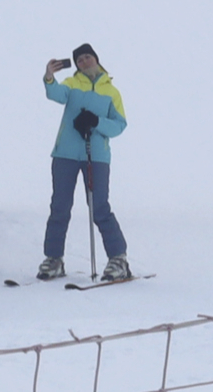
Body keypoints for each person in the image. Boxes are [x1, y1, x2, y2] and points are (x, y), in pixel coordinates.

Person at [38, 43, 131, 283]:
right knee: (59, 206)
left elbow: (119, 125)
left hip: (96, 156)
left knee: (99, 206)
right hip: (65, 154)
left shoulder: (112, 92)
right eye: (79, 60)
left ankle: (118, 259)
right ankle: (53, 258)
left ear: (97, 59)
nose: (84, 62)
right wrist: (49, 77)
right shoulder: (71, 84)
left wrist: (96, 122)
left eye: (87, 58)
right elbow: (55, 94)